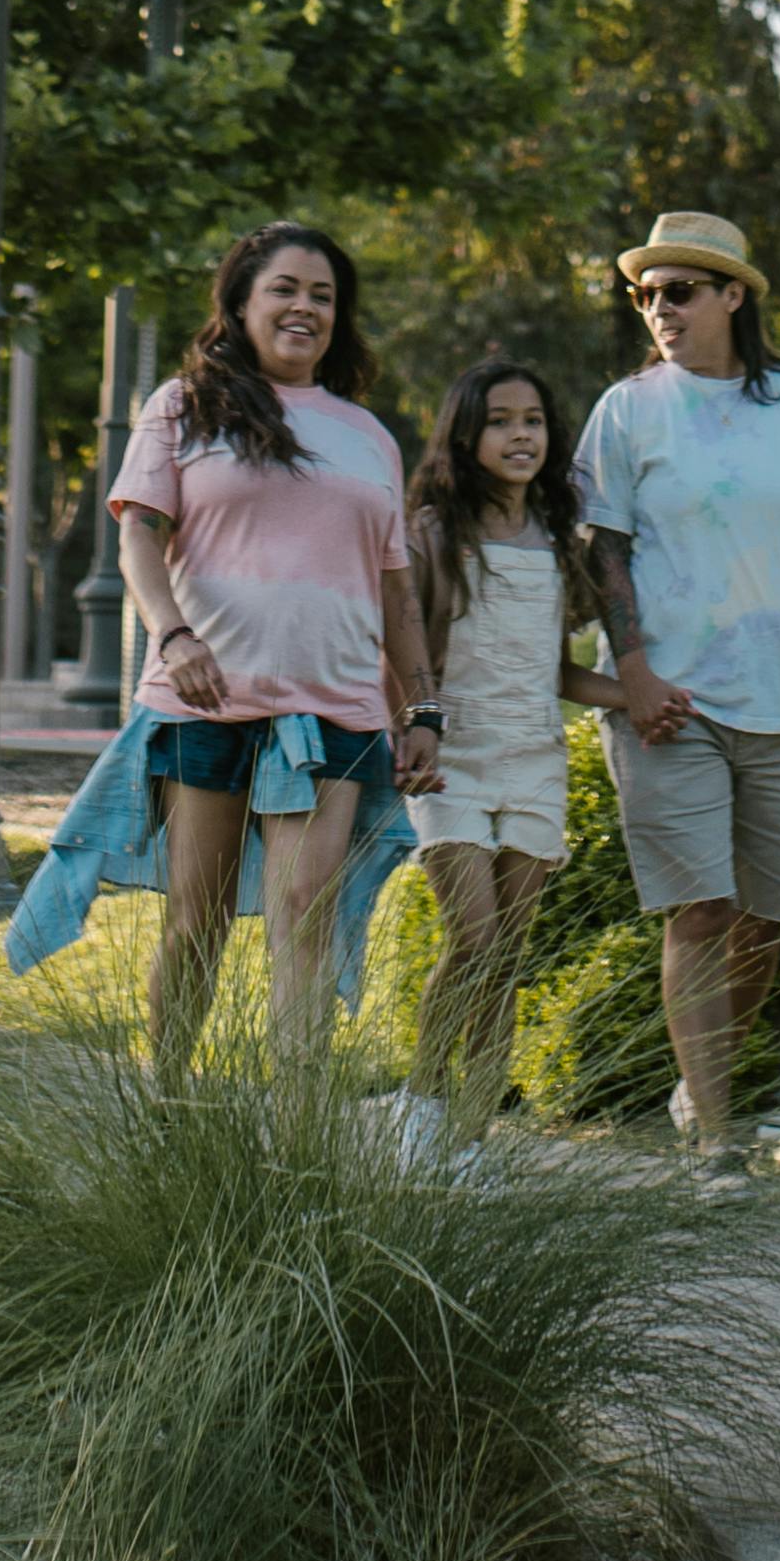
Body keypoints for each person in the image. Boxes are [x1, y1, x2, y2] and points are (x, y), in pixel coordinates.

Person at [572, 206, 780, 1159]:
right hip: (668, 698)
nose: (657, 309)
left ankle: (692, 1084)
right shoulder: (625, 409)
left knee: (761, 923)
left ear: (731, 295)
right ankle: (716, 1138)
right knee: (700, 907)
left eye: (677, 291)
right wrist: (631, 672)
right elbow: (604, 549)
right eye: (644, 294)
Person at [106, 218, 444, 1073]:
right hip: (208, 700)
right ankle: (166, 1094)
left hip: (335, 707)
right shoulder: (181, 405)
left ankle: (296, 1131)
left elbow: (397, 590)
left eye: (322, 295)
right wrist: (171, 632)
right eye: (285, 289)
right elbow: (138, 537)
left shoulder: (367, 434)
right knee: (198, 919)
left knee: (306, 906)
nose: (304, 307)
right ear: (242, 302)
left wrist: (423, 710)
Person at [404, 352, 619, 1112]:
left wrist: (633, 697)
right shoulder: (433, 531)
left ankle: (473, 1134)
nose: (518, 434)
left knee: (506, 959)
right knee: (473, 938)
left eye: (531, 421)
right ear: (465, 436)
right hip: (450, 760)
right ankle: (423, 1106)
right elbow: (403, 648)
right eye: (499, 421)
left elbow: (555, 671)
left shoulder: (559, 541)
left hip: (534, 760)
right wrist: (411, 724)